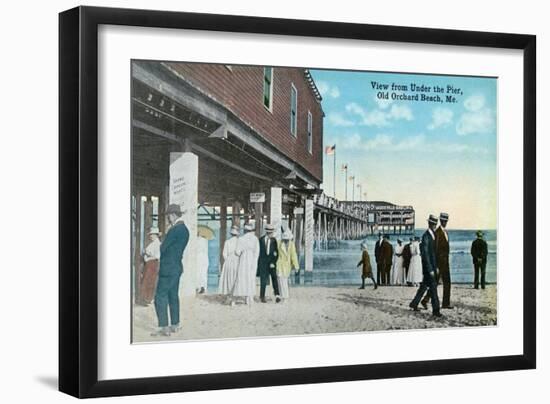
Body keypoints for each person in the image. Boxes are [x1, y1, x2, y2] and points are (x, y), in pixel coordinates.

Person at [152, 204, 189, 337]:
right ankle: (175, 324)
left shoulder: (174, 230)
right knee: (173, 295)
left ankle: (163, 327)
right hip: (177, 267)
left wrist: (162, 240)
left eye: (168, 216)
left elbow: (162, 249)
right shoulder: (185, 229)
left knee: (160, 296)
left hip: (167, 268)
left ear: (173, 215)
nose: (167, 218)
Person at [409, 215, 442, 318]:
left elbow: (434, 254)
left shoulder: (432, 235)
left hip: (432, 267)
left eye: (435, 224)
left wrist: (436, 267)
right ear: (431, 224)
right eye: (434, 224)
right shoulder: (426, 236)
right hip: (429, 269)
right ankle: (436, 310)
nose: (435, 226)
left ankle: (414, 303)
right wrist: (430, 269)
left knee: (423, 287)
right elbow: (426, 255)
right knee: (433, 289)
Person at [421, 212, 453, 309]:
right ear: (440, 221)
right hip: (439, 263)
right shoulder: (438, 233)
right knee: (434, 284)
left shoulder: (445, 232)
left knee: (447, 282)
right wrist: (436, 265)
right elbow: (435, 249)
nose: (445, 222)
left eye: (446, 221)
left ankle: (445, 303)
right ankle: (425, 300)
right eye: (443, 221)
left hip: (445, 262)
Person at [233, 223, 259, 305]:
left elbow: (237, 252)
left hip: (243, 260)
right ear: (251, 231)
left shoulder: (241, 239)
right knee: (251, 278)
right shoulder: (255, 239)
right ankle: (249, 297)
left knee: (242, 277)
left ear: (244, 231)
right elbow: (257, 252)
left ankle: (244, 295)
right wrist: (255, 260)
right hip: (252, 260)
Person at [257, 224, 280, 303]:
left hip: (271, 263)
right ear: (267, 233)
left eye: (272, 233)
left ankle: (277, 295)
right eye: (270, 233)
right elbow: (258, 253)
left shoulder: (274, 241)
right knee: (263, 280)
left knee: (274, 278)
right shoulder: (260, 240)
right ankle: (262, 296)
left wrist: (273, 262)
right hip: (263, 263)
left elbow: (276, 253)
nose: (271, 234)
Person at [139, 227, 161, 305]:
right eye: (150, 234)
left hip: (153, 264)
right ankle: (146, 299)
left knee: (151, 281)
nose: (151, 236)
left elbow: (157, 256)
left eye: (152, 234)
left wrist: (148, 258)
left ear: (156, 235)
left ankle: (149, 299)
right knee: (146, 281)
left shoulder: (158, 244)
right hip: (148, 265)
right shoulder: (152, 243)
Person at [218, 226, 241, 303]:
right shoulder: (239, 241)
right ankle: (234, 296)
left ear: (231, 234)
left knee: (228, 278)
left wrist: (227, 260)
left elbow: (224, 254)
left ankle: (229, 296)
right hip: (237, 260)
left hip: (229, 261)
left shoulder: (227, 242)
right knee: (235, 278)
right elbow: (240, 253)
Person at [276, 228, 299, 301]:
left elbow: (293, 255)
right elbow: (276, 254)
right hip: (279, 264)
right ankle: (282, 296)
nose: (286, 241)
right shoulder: (279, 243)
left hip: (287, 265)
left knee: (285, 281)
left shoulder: (291, 245)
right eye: (285, 239)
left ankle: (285, 296)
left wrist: (296, 266)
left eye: (287, 239)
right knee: (280, 280)